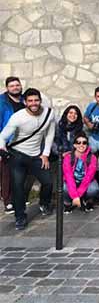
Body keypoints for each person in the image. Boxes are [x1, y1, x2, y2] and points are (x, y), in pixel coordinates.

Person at [0, 88, 55, 230]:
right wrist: (3, 148)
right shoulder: (18, 117)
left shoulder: (49, 113)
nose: (33, 103)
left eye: (36, 100)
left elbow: (50, 133)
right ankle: (20, 217)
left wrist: (46, 154)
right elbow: (3, 136)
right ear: (25, 102)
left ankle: (44, 203)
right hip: (18, 154)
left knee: (48, 182)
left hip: (36, 155)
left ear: (40, 101)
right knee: (18, 187)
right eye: (30, 101)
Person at [0, 77, 25, 214]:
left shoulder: (24, 100)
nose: (15, 87)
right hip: (7, 141)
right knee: (7, 172)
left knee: (21, 170)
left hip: (22, 141)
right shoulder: (2, 102)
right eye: (12, 86)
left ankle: (19, 197)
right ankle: (8, 201)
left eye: (17, 85)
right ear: (7, 88)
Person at [62, 131, 99, 213]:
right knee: (64, 187)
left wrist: (77, 195)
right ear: (74, 145)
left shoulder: (92, 158)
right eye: (78, 142)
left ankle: (87, 201)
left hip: (85, 182)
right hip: (72, 182)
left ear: (87, 145)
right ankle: (68, 203)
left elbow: (88, 177)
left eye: (84, 143)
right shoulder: (68, 157)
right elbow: (69, 177)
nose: (81, 145)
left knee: (94, 189)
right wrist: (75, 196)